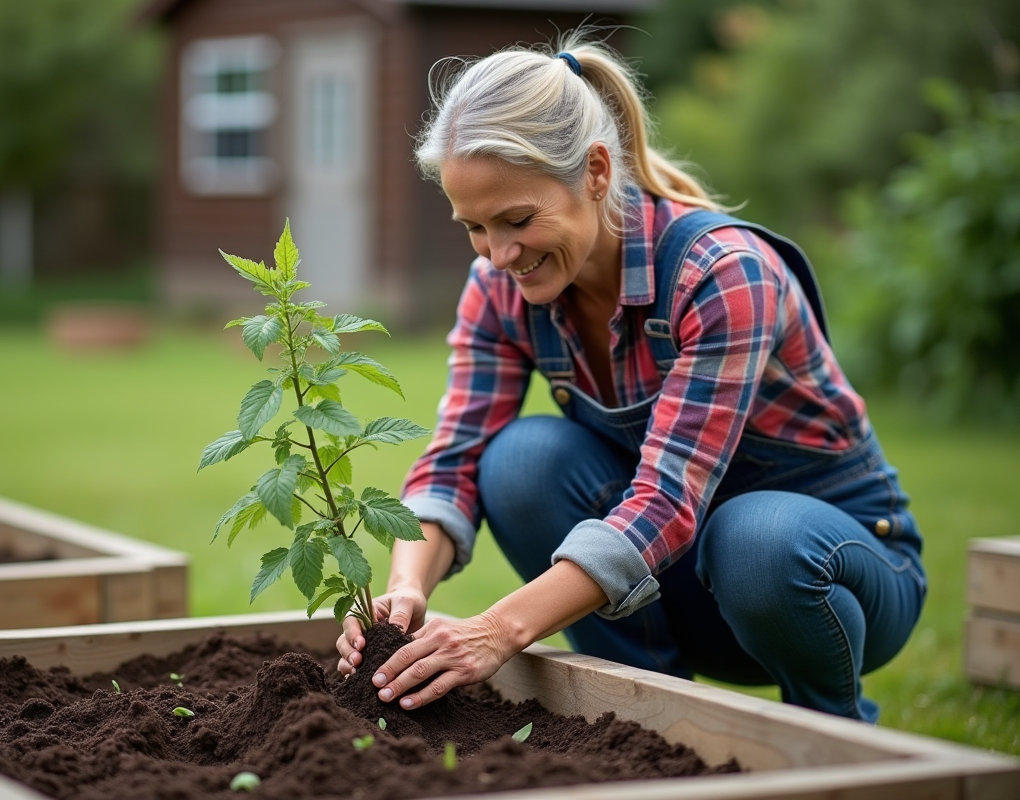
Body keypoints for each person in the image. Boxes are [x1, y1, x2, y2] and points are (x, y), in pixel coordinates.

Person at [335, 34, 926, 723]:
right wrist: (407, 588)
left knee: (753, 538)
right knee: (520, 461)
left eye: (518, 220)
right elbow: (454, 457)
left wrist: (495, 632)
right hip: (675, 580)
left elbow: (668, 499)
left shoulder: (720, 273)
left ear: (593, 170)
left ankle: (837, 740)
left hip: (827, 578)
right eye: (474, 227)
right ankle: (646, 722)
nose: (500, 254)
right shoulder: (500, 289)